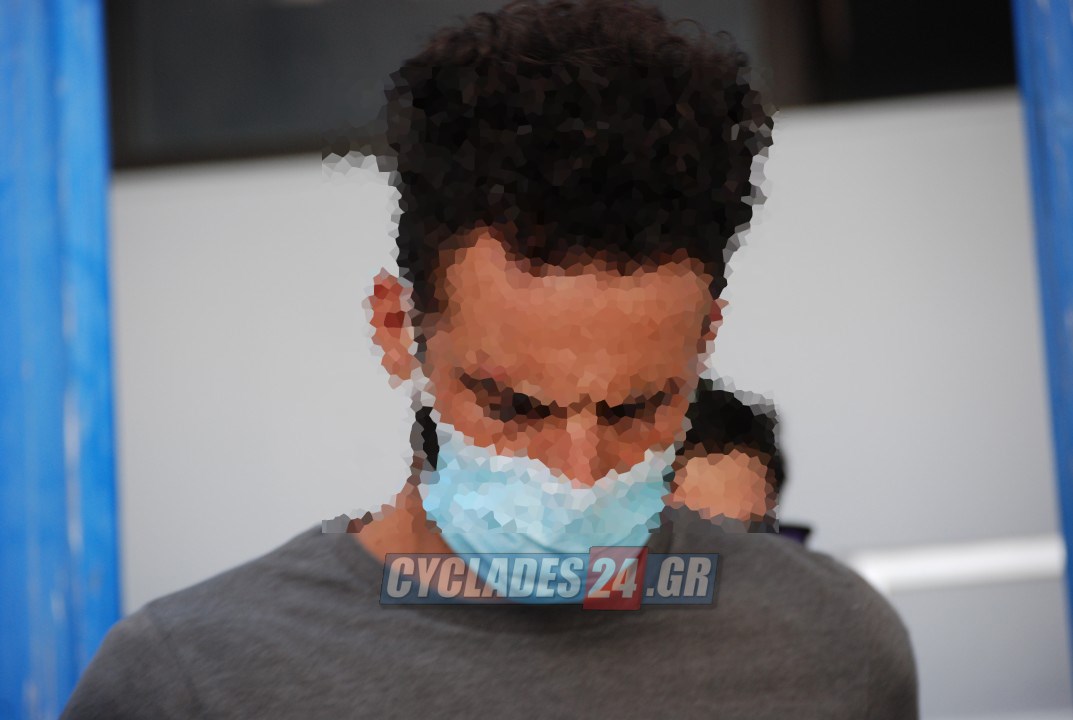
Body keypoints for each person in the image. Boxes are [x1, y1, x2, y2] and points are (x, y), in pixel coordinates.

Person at [62, 1, 917, 717]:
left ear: (704, 343)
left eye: (633, 409)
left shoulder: (832, 650)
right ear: (397, 328)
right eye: (514, 407)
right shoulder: (193, 683)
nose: (577, 476)